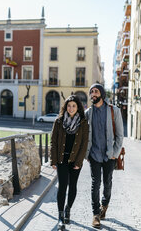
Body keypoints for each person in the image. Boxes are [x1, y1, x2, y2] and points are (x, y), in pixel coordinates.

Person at [85, 83, 124, 229]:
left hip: (109, 155)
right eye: (91, 92)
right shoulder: (88, 113)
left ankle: (104, 206)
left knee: (107, 183)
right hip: (94, 154)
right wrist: (86, 153)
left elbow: (120, 135)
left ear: (101, 93)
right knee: (95, 184)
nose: (92, 94)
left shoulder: (114, 111)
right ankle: (95, 214)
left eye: (95, 92)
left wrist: (115, 153)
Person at [50, 95, 89, 230]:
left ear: (78, 107)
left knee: (72, 186)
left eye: (73, 106)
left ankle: (68, 208)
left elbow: (84, 144)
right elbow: (53, 142)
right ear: (65, 107)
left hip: (75, 161)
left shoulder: (83, 123)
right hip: (62, 160)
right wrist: (53, 160)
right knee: (62, 187)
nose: (71, 108)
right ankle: (60, 217)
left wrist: (79, 161)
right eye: (68, 105)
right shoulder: (59, 121)